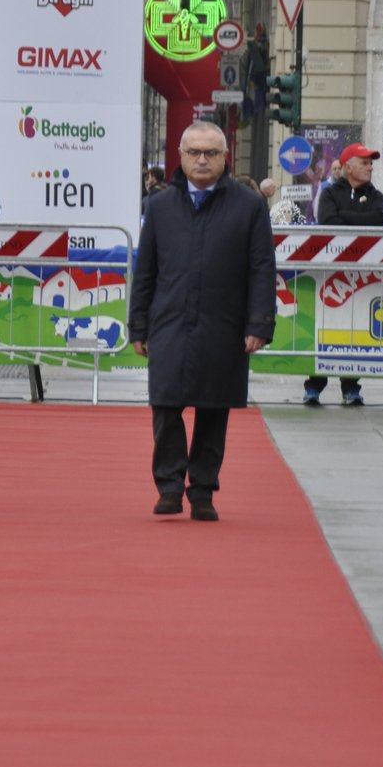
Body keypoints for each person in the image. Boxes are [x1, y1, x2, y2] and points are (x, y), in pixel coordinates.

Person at [130, 121, 276, 521]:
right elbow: (145, 272)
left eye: (210, 153)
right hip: (170, 321)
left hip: (224, 323)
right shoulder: (159, 206)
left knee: (214, 409)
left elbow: (262, 267)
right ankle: (170, 486)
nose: (202, 160)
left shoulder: (248, 206)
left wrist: (259, 323)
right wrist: (137, 326)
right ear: (180, 156)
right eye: (194, 152)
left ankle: (203, 491)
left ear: (225, 158)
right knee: (165, 405)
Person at [305, 143, 383, 406]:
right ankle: (314, 385)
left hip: (360, 277)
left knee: (355, 329)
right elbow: (329, 222)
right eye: (365, 162)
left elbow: (378, 221)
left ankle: (351, 387)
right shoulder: (329, 193)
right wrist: (358, 221)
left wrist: (345, 218)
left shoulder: (377, 195)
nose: (370, 166)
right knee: (325, 326)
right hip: (329, 274)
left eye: (371, 163)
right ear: (348, 166)